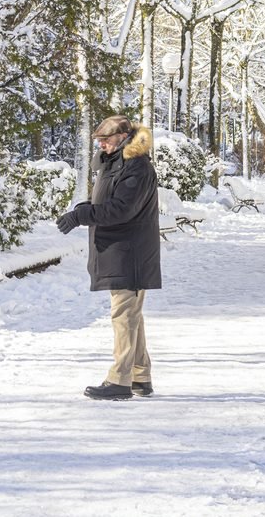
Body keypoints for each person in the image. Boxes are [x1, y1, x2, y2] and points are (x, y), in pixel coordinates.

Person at [55, 115, 161, 401]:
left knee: (123, 316)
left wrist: (81, 215)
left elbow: (120, 209)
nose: (101, 144)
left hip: (130, 252)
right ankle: (140, 376)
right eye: (99, 140)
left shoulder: (137, 167)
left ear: (124, 137)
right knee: (130, 317)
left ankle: (119, 380)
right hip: (120, 249)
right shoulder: (116, 162)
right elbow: (107, 201)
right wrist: (85, 207)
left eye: (106, 139)